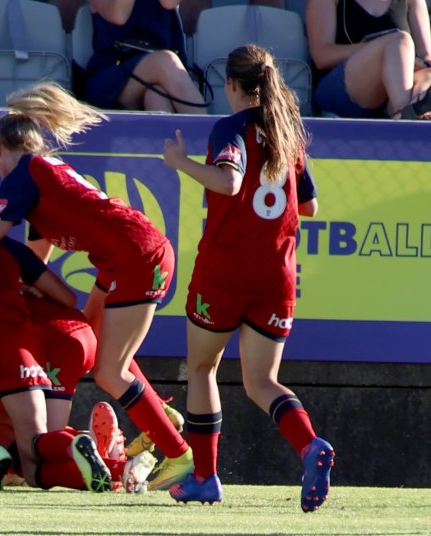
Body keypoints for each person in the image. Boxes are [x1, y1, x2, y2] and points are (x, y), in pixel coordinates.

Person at [0, 81, 195, 492]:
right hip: (124, 256)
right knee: (95, 340)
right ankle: (154, 418)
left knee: (109, 370)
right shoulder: (44, 173)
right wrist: (24, 284)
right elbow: (37, 255)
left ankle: (178, 454)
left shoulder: (22, 176)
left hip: (135, 255)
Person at [161, 44, 334, 512]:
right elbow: (310, 206)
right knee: (262, 382)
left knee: (203, 368)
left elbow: (229, 181)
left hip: (226, 271)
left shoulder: (230, 128)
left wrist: (180, 163)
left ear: (232, 85)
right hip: (276, 275)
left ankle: (205, 477)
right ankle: (309, 445)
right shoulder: (286, 132)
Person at [307, 0, 431, 119]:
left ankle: (410, 112)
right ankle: (405, 114)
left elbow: (427, 57)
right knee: (400, 41)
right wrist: (384, 49)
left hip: (393, 91)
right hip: (344, 89)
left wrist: (408, 60)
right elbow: (322, 56)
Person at [85, 0, 208, 113]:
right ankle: (205, 129)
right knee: (165, 61)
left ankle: (175, 130)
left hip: (163, 75)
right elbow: (119, 16)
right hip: (115, 75)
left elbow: (169, 3)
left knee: (157, 97)